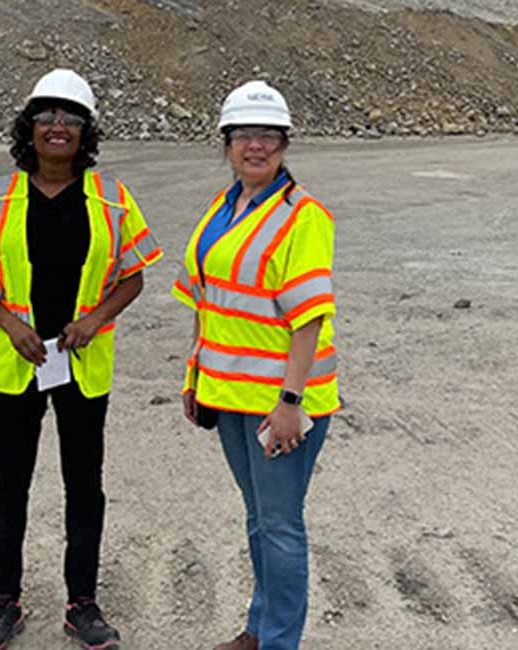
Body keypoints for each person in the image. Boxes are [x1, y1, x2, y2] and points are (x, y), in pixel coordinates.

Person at [0, 68, 162, 650]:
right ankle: (4, 602)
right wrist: (12, 324)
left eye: (70, 118)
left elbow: (134, 276)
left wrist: (95, 320)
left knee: (83, 484)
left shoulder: (113, 200)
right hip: (18, 363)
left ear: (86, 131)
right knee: (9, 484)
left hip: (83, 366)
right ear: (30, 127)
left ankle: (83, 602)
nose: (58, 127)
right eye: (46, 115)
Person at [173, 80, 340, 650]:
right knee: (260, 519)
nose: (256, 146)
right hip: (229, 395)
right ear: (226, 141)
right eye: (244, 134)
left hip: (279, 402)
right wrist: (195, 377)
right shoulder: (223, 207)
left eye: (268, 135)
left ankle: (278, 642)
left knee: (281, 525)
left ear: (285, 143)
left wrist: (290, 403)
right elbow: (206, 300)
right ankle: (259, 628)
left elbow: (309, 318)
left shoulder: (304, 216)